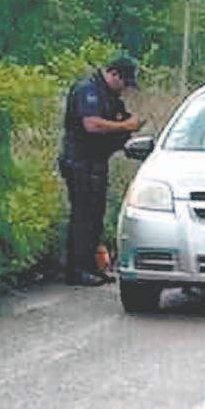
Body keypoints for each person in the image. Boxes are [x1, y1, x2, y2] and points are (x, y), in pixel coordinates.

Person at [59, 57, 141, 285]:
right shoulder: (88, 90)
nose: (124, 89)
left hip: (96, 161)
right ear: (113, 74)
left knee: (95, 216)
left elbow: (116, 120)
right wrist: (125, 126)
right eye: (124, 83)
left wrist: (128, 123)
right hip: (80, 161)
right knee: (83, 216)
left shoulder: (109, 96)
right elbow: (92, 124)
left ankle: (91, 266)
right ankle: (77, 270)